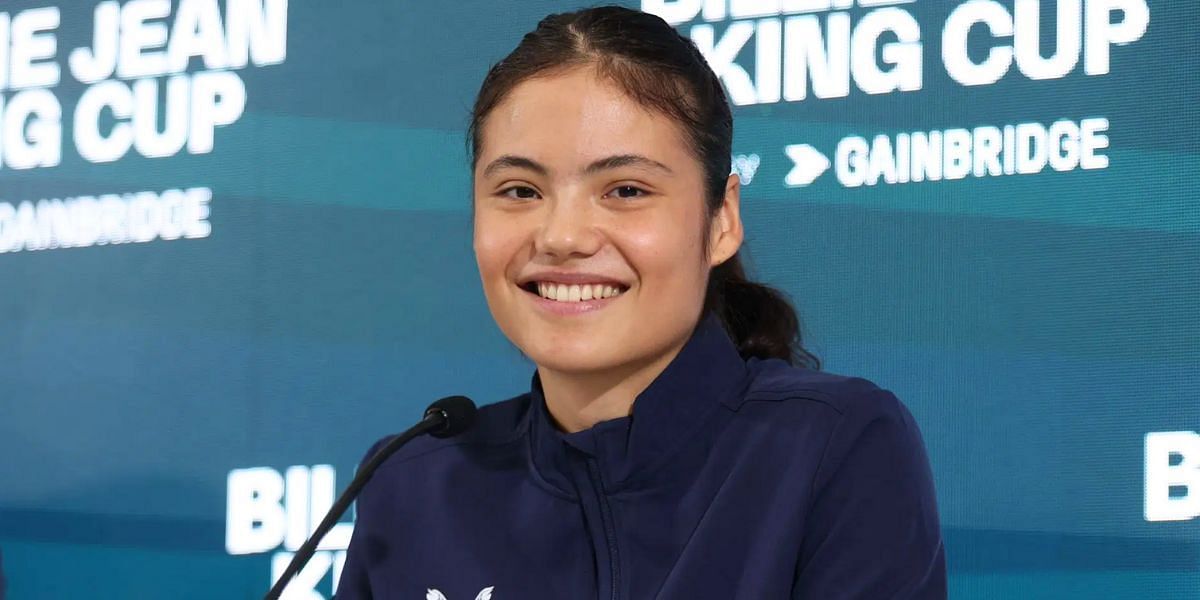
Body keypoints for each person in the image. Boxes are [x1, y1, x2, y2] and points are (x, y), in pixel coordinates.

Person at [338, 5, 945, 598]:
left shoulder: (830, 447)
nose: (561, 237)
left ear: (722, 219)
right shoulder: (413, 482)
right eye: (520, 190)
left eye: (626, 189)